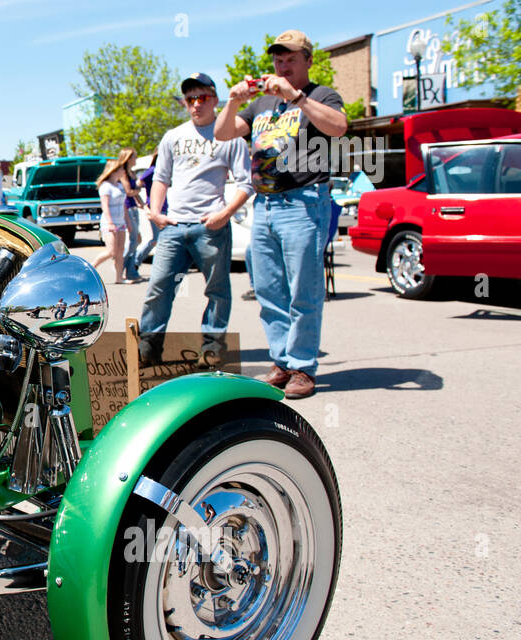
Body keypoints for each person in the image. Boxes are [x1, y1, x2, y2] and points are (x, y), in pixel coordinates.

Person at [215, 29, 347, 399]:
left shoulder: (321, 96)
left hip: (303, 202)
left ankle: (303, 367)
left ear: (307, 60)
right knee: (269, 289)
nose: (283, 65)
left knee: (302, 290)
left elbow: (339, 127)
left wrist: (298, 98)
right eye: (278, 59)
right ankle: (282, 361)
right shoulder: (261, 106)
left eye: (290, 58)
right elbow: (224, 133)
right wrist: (232, 100)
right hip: (266, 204)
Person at [138, 73, 253, 367]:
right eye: (190, 99)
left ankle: (212, 347)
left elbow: (245, 183)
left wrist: (224, 213)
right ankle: (148, 347)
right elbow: (161, 178)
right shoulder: (173, 137)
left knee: (216, 289)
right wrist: (155, 211)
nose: (196, 104)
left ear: (215, 100)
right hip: (174, 227)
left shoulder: (229, 135)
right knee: (159, 286)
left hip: (210, 226)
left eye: (202, 98)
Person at [90, 154, 131, 285]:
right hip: (109, 223)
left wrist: (128, 222)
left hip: (121, 222)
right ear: (114, 170)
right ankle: (92, 266)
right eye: (121, 169)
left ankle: (119, 278)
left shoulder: (119, 185)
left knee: (120, 252)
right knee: (111, 251)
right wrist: (111, 223)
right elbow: (105, 206)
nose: (124, 171)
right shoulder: (105, 186)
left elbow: (124, 206)